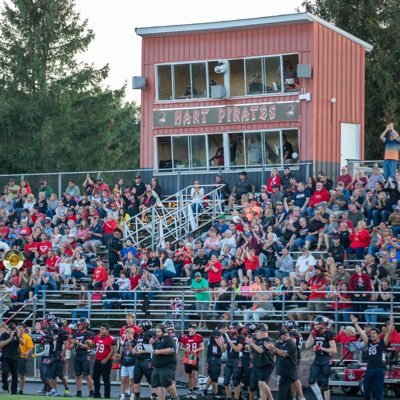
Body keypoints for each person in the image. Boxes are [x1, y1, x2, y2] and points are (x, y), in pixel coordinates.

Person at [350, 315, 394, 400]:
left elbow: (389, 333)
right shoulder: (369, 342)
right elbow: (361, 333)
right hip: (369, 369)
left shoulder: (382, 343)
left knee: (378, 391)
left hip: (379, 369)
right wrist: (355, 323)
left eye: (374, 333)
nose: (372, 335)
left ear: (378, 335)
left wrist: (391, 323)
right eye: (371, 334)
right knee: (366, 390)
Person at [305, 316, 337, 400]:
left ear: (323, 325)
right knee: (311, 381)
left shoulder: (329, 333)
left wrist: (322, 348)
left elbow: (334, 350)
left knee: (324, 383)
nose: (316, 326)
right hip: (317, 359)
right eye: (315, 324)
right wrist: (311, 334)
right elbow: (307, 345)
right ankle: (320, 398)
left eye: (318, 324)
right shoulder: (315, 333)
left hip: (326, 359)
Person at [246, 323, 274, 400]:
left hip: (266, 365)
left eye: (257, 331)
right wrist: (250, 345)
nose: (256, 333)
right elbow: (252, 353)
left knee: (261, 384)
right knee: (255, 386)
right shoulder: (257, 340)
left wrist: (252, 343)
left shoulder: (268, 340)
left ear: (263, 331)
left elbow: (261, 350)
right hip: (257, 365)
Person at [150, 324, 179, 400]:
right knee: (158, 384)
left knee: (167, 382)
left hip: (167, 366)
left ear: (164, 331)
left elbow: (171, 350)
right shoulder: (158, 339)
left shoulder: (169, 339)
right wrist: (151, 343)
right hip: (157, 366)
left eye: (158, 331)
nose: (157, 333)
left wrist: (159, 351)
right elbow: (154, 350)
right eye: (156, 331)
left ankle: (175, 398)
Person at [269, 329, 298, 400]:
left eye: (280, 336)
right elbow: (273, 353)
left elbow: (284, 353)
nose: (279, 338)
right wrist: (270, 348)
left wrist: (274, 348)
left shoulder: (291, 343)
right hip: (283, 372)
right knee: (288, 394)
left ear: (285, 335)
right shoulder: (280, 343)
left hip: (288, 372)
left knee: (281, 394)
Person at [90, 323, 117, 399]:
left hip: (106, 361)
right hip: (97, 360)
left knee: (106, 378)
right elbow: (93, 346)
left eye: (103, 329)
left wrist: (106, 359)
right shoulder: (97, 337)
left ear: (107, 330)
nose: (101, 330)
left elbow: (113, 350)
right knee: (95, 377)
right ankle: (97, 394)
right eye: (100, 329)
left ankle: (107, 395)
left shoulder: (111, 338)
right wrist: (89, 343)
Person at [70, 318, 95, 398]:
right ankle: (79, 392)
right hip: (77, 354)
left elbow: (88, 347)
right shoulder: (76, 334)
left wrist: (78, 343)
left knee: (87, 375)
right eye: (79, 324)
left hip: (85, 354)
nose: (79, 326)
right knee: (78, 375)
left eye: (81, 324)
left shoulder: (89, 333)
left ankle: (91, 392)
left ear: (85, 325)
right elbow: (71, 347)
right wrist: (70, 343)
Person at [202, 322, 227, 399]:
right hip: (212, 356)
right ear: (222, 327)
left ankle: (215, 393)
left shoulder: (222, 335)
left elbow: (223, 350)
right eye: (226, 329)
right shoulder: (216, 332)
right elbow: (221, 345)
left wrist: (224, 344)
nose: (226, 331)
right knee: (214, 374)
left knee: (215, 375)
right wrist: (224, 344)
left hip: (217, 356)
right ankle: (205, 390)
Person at [133, 320, 156, 400]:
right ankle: (137, 396)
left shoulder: (150, 334)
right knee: (136, 379)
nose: (138, 328)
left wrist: (140, 351)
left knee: (150, 380)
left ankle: (154, 396)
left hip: (147, 360)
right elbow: (138, 344)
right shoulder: (139, 335)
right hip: (138, 360)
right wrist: (134, 349)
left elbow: (152, 348)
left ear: (145, 327)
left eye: (140, 326)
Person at [180, 324, 204, 400]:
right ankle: (190, 390)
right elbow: (181, 346)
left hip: (194, 357)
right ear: (189, 328)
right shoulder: (184, 337)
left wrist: (196, 350)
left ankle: (194, 390)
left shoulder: (198, 336)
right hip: (188, 356)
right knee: (190, 375)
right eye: (193, 328)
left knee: (194, 374)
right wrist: (185, 349)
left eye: (195, 328)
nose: (194, 330)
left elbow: (202, 347)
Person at [223, 321, 245, 400]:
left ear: (238, 329)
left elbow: (237, 349)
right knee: (226, 382)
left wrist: (230, 342)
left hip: (237, 360)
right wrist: (223, 344)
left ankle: (237, 398)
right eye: (231, 328)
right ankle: (228, 398)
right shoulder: (228, 336)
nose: (231, 330)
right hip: (229, 360)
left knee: (236, 382)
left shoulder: (241, 337)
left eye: (233, 328)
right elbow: (223, 350)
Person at [0, 321, 24, 395]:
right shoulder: (4, 335)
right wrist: (10, 338)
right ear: (8, 328)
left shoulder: (17, 335)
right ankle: (5, 387)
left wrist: (18, 336)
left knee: (15, 375)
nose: (12, 330)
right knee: (5, 372)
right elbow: (1, 344)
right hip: (5, 357)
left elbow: (23, 343)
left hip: (14, 357)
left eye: (13, 329)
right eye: (11, 329)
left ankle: (14, 392)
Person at [119, 328, 137, 400]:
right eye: (126, 333)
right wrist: (122, 345)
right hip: (124, 363)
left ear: (132, 334)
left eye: (129, 333)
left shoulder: (135, 342)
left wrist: (129, 345)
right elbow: (120, 353)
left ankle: (132, 395)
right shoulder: (124, 341)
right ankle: (122, 395)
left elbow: (133, 352)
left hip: (132, 363)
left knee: (132, 380)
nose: (127, 335)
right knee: (123, 380)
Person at [17, 323, 34, 395]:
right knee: (11, 373)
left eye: (21, 327)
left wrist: (27, 352)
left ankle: (21, 390)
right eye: (18, 327)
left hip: (22, 357)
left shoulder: (27, 336)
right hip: (14, 357)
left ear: (24, 329)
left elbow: (31, 347)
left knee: (21, 375)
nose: (20, 329)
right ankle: (11, 388)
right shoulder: (14, 335)